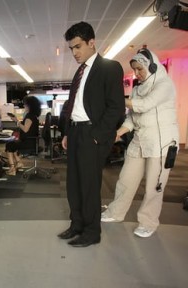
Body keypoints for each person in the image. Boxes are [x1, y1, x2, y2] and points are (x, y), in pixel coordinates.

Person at [57, 22, 125, 247]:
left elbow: (116, 107)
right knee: (73, 184)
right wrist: (67, 132)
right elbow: (73, 104)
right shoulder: (80, 71)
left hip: (91, 134)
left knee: (89, 185)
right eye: (71, 49)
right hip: (75, 132)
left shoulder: (110, 67)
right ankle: (76, 224)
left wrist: (97, 135)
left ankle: (92, 232)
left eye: (77, 47)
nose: (74, 52)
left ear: (91, 42)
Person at [101, 48, 179, 238]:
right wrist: (117, 134)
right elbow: (132, 118)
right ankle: (116, 212)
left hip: (161, 142)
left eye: (139, 69)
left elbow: (144, 105)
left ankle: (148, 222)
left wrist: (114, 98)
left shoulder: (164, 84)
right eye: (134, 70)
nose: (136, 74)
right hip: (139, 140)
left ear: (151, 66)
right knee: (125, 180)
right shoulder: (136, 89)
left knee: (154, 186)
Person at [5, 96, 41, 176]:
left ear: (30, 106)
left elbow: (25, 129)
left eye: (25, 104)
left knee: (9, 145)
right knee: (13, 144)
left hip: (28, 143)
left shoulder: (30, 116)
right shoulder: (34, 115)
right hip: (32, 142)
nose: (24, 106)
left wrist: (17, 122)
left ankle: (12, 169)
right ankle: (19, 163)